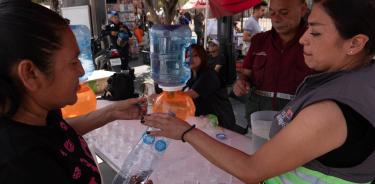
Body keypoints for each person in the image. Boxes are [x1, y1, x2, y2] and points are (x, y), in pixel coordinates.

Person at [143, 0, 375, 183]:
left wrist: (186, 132)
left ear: (355, 44)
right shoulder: (359, 78)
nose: (304, 39)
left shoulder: (331, 111)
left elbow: (251, 170)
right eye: (272, 13)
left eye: (314, 32)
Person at [0, 2, 145, 183]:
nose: (81, 71)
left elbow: (59, 135)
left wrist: (112, 112)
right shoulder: (22, 167)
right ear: (31, 73)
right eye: (73, 61)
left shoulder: (38, 112)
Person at [233, 0, 314, 129]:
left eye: (284, 12)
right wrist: (241, 83)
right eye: (272, 13)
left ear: (303, 9)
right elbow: (245, 74)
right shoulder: (259, 41)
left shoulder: (315, 43)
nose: (276, 19)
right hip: (259, 120)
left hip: (299, 124)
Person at [184, 44, 246, 134]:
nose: (190, 59)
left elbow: (189, 95)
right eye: (188, 56)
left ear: (202, 57)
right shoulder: (193, 75)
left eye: (195, 55)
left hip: (220, 122)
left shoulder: (208, 75)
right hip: (206, 121)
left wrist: (165, 96)